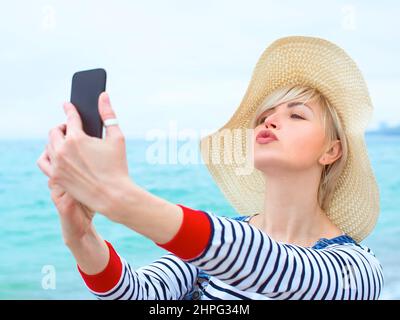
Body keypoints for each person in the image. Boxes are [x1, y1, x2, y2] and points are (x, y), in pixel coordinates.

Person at [36, 36, 384, 300]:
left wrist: (118, 198)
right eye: (264, 116)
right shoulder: (211, 248)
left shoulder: (356, 269)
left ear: (332, 150)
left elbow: (276, 267)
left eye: (296, 114)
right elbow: (136, 294)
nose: (271, 122)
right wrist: (80, 236)